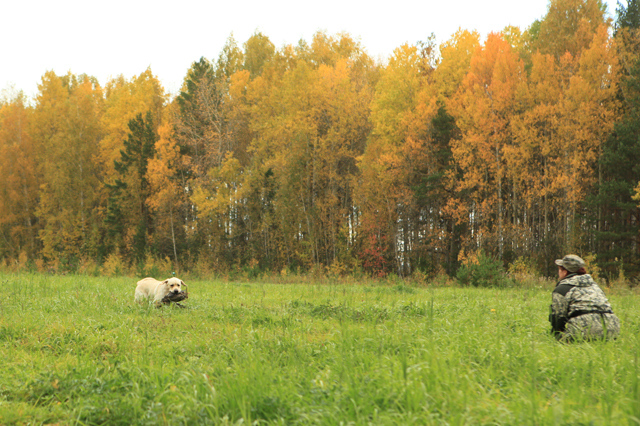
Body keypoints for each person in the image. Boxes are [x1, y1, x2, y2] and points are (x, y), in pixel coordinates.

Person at [549, 254, 620, 341]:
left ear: (565, 272)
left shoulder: (562, 288)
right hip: (612, 329)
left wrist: (556, 336)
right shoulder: (595, 286)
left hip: (585, 330)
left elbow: (558, 318)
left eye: (560, 269)